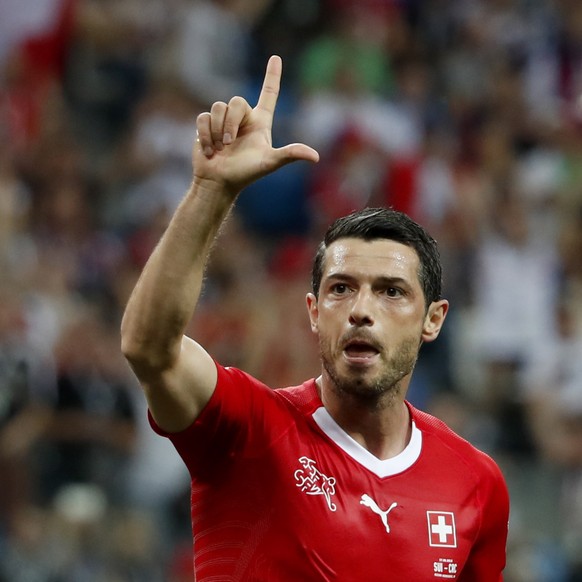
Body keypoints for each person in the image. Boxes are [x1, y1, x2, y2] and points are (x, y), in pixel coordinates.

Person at [121, 55, 509, 581]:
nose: (361, 311)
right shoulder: (249, 431)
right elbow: (150, 348)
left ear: (433, 320)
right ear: (313, 311)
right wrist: (211, 191)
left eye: (391, 292)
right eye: (341, 289)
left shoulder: (476, 484)